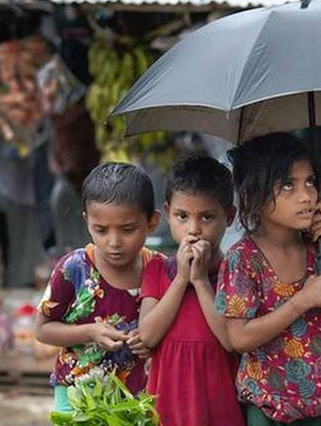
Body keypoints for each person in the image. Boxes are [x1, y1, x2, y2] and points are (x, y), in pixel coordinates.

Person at [216, 133, 321, 426]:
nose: (306, 195)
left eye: (311, 181)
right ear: (253, 196)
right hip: (272, 410)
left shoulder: (316, 246)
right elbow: (238, 338)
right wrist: (302, 301)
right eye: (288, 185)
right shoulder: (243, 258)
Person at [33, 162, 161, 413]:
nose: (114, 243)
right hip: (77, 398)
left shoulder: (159, 269)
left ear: (152, 222)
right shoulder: (74, 269)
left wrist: (151, 343)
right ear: (87, 221)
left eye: (128, 230)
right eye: (100, 230)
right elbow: (42, 329)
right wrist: (90, 332)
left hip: (136, 400)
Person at [138, 154, 244, 426]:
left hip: (220, 408)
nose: (193, 229)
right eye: (182, 216)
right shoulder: (158, 270)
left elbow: (230, 339)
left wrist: (200, 281)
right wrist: (181, 279)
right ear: (168, 213)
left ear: (229, 216)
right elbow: (147, 335)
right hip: (167, 407)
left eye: (207, 217)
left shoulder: (237, 272)